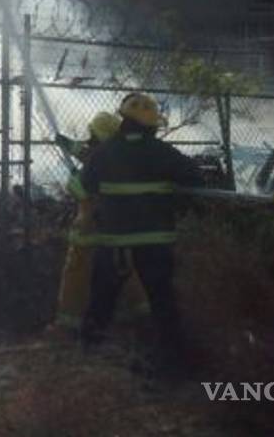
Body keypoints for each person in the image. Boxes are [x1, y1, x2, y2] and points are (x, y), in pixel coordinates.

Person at [79, 93, 202, 370]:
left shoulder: (104, 151)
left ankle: (90, 354)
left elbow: (85, 184)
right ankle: (172, 361)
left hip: (115, 241)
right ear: (151, 125)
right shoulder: (162, 152)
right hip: (156, 240)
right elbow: (194, 176)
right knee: (162, 299)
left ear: (123, 119)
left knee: (102, 297)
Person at [46, 111, 123, 339]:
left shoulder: (103, 161)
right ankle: (132, 321)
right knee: (122, 275)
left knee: (76, 276)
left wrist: (75, 181)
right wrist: (68, 144)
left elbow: (84, 191)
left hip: (90, 230)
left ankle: (67, 327)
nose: (89, 139)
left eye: (93, 135)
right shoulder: (116, 156)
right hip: (117, 232)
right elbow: (88, 154)